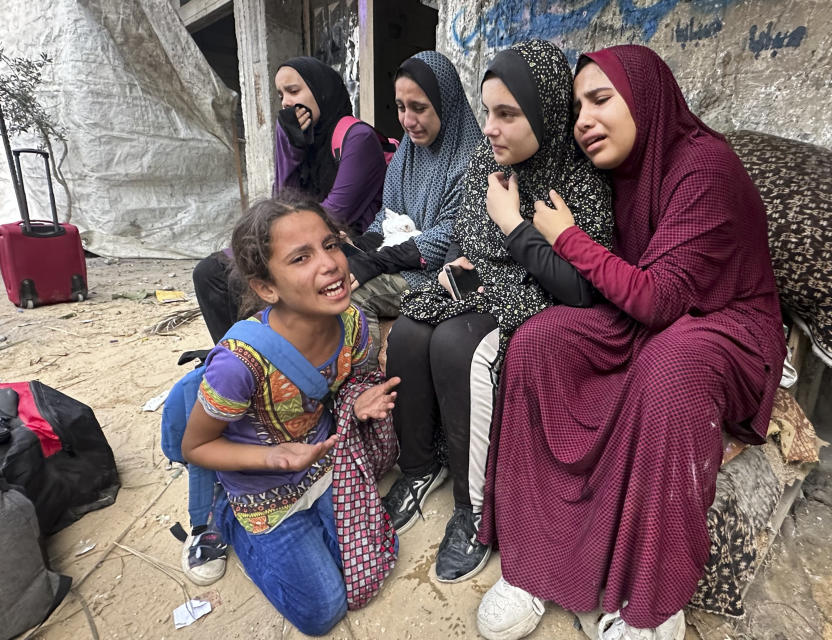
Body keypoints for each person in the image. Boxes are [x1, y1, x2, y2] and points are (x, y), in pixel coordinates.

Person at [474, 45, 787, 640]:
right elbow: (635, 290)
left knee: (670, 370)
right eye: (575, 108)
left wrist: (563, 236)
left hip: (725, 323)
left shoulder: (705, 166)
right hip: (651, 315)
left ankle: (652, 603)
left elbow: (656, 299)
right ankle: (536, 560)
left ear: (645, 98)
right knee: (540, 340)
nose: (583, 120)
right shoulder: (620, 172)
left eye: (600, 100)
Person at [381, 40, 614, 584]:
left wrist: (513, 224)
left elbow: (580, 288)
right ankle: (421, 468)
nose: (489, 127)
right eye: (487, 112)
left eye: (507, 114)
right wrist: (460, 263)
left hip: (542, 298)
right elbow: (469, 233)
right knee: (410, 333)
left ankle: (474, 507)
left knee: (459, 346)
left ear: (547, 113)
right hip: (486, 283)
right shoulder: (488, 163)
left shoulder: (578, 180)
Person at [181, 197, 401, 635]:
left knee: (367, 568)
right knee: (323, 610)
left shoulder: (354, 324)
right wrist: (273, 458)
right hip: (261, 490)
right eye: (301, 258)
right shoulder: (239, 363)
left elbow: (343, 385)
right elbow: (196, 446)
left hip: (322, 467)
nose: (330, 265)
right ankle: (225, 517)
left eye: (331, 245)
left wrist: (354, 404)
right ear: (267, 288)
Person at [194, 57, 388, 346]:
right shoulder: (301, 138)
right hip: (299, 238)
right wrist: (290, 148)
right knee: (210, 272)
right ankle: (240, 358)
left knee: (272, 272)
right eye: (281, 95)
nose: (286, 102)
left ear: (320, 90)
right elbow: (280, 205)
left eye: (294, 91)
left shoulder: (358, 139)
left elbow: (333, 215)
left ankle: (274, 355)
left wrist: (278, 245)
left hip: (344, 243)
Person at [346, 50, 483, 354]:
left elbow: (451, 234)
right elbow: (388, 214)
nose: (408, 120)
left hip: (433, 275)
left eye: (419, 108)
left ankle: (366, 386)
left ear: (445, 104)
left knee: (353, 296)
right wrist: (360, 246)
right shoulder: (406, 154)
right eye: (400, 107)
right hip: (398, 258)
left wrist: (377, 260)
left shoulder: (472, 161)